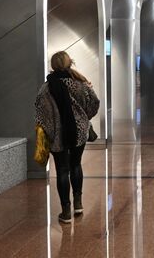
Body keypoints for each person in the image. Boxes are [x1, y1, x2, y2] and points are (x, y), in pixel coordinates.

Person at [35, 51, 100, 223]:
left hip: (58, 134)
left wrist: (51, 130)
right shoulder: (80, 83)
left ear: (53, 66)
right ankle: (78, 204)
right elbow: (94, 103)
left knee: (62, 170)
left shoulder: (46, 87)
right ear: (70, 62)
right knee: (76, 165)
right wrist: (84, 118)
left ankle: (66, 212)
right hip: (78, 132)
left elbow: (41, 112)